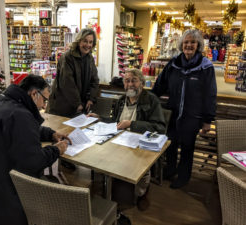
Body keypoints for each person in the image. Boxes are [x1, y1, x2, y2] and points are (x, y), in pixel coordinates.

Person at [0, 75, 70, 225]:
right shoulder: (20, 115)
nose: (44, 106)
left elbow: (21, 130)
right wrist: (56, 150)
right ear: (34, 94)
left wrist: (50, 133)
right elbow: (34, 161)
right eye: (44, 99)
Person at [89, 68, 166, 211]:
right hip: (121, 141)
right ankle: (114, 190)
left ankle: (142, 192)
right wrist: (99, 118)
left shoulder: (151, 100)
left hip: (140, 144)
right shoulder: (121, 101)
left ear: (142, 83)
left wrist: (132, 124)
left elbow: (160, 127)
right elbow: (114, 122)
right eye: (127, 81)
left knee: (139, 169)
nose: (130, 84)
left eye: (134, 81)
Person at [152, 29, 217, 189]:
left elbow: (210, 94)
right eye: (186, 42)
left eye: (193, 42)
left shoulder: (205, 67)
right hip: (173, 113)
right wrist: (151, 100)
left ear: (198, 45)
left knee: (188, 147)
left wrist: (207, 120)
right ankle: (170, 170)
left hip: (192, 116)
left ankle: (183, 176)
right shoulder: (173, 64)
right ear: (181, 44)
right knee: (171, 144)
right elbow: (160, 84)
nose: (189, 45)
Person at [47, 28, 99, 117]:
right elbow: (67, 83)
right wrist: (77, 103)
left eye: (90, 42)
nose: (88, 45)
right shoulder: (67, 57)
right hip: (62, 106)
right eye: (85, 41)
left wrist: (91, 98)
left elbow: (94, 80)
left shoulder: (89, 58)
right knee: (60, 129)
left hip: (78, 107)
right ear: (79, 41)